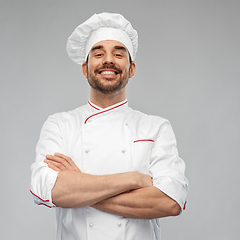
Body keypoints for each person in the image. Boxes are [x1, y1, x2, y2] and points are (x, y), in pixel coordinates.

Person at [30, 12, 189, 240]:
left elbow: (170, 202)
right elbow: (48, 189)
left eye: (118, 53)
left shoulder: (155, 128)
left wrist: (80, 186)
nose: (109, 60)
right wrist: (133, 179)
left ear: (131, 69)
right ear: (85, 68)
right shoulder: (60, 125)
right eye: (98, 53)